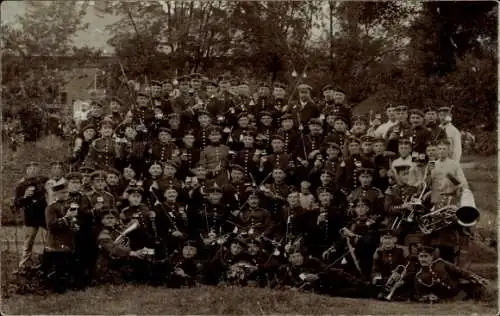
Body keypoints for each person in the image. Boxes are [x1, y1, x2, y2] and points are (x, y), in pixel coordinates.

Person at [14, 161, 48, 273]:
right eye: (30, 168)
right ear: (26, 170)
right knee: (28, 241)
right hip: (30, 216)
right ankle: (23, 265)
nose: (33, 170)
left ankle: (47, 261)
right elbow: (17, 203)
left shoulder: (43, 181)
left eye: (35, 168)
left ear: (38, 170)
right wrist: (25, 196)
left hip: (44, 215)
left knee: (52, 237)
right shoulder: (21, 185)